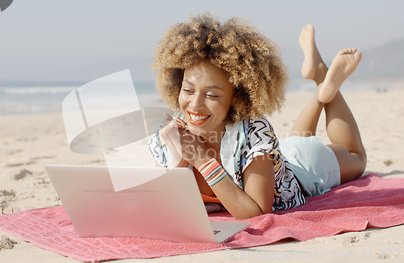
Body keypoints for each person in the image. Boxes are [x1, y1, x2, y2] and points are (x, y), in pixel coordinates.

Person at [148, 13, 367, 220]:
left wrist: (203, 161)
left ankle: (322, 76)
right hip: (277, 156)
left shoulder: (253, 132)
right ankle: (320, 89)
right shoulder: (173, 131)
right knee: (294, 138)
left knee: (356, 156)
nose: (194, 104)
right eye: (188, 90)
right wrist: (179, 160)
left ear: (237, 96)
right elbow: (162, 204)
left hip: (305, 166)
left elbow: (258, 213)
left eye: (212, 94)